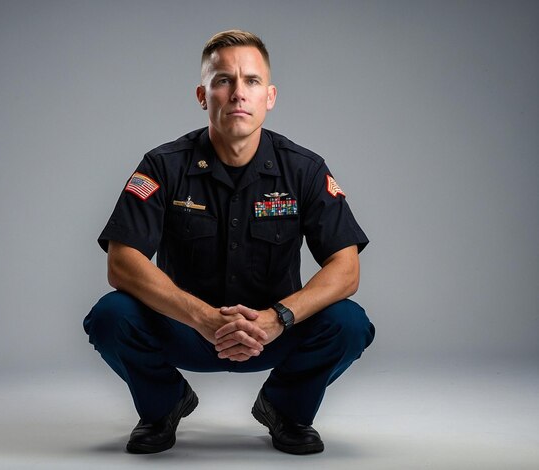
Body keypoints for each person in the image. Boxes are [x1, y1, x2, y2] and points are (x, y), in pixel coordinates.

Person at [83, 30, 375, 455]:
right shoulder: (162, 166)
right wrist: (203, 318)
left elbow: (346, 269)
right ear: (203, 95)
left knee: (349, 324)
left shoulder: (305, 171)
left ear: (269, 97)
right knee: (110, 316)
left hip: (272, 333)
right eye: (224, 80)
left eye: (252, 81)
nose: (239, 93)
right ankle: (163, 406)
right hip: (185, 329)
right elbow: (122, 262)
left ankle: (285, 409)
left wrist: (279, 318)